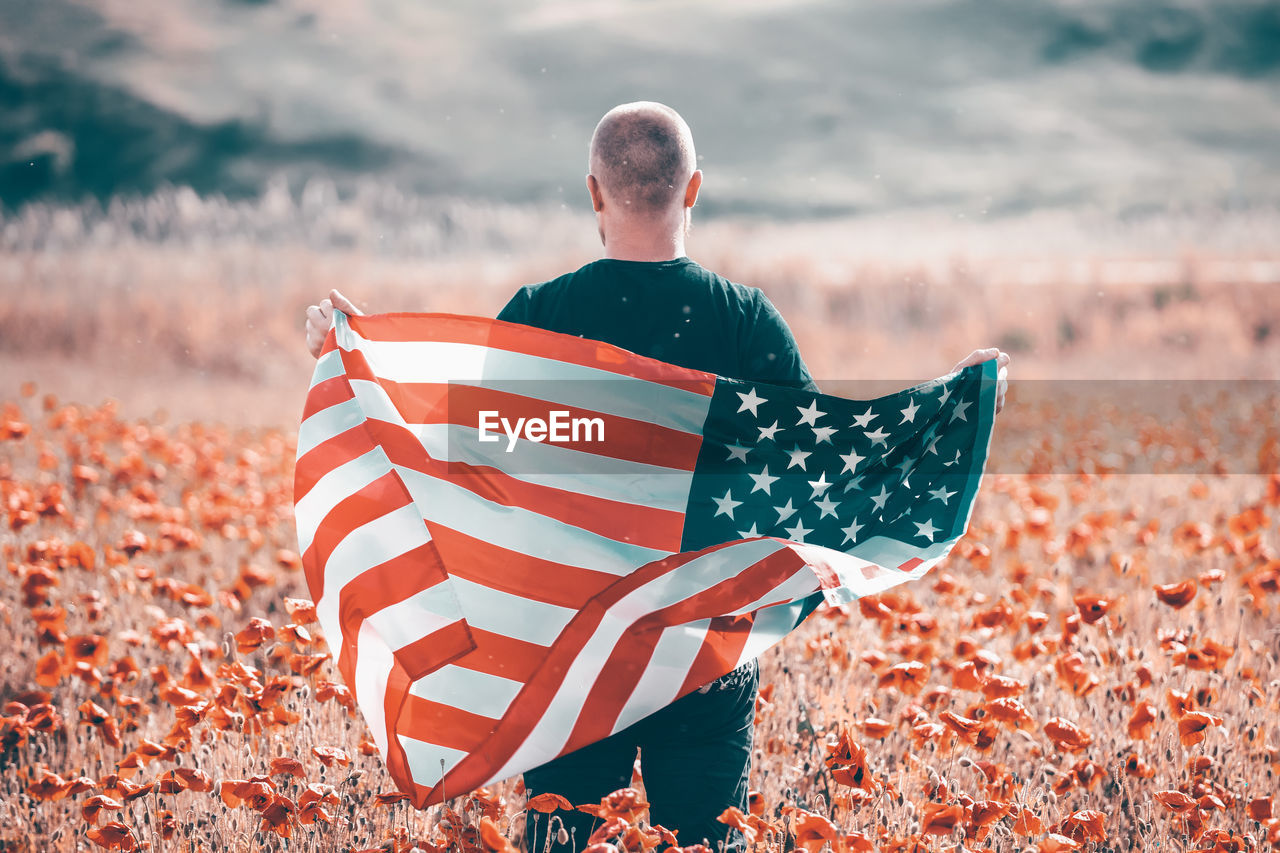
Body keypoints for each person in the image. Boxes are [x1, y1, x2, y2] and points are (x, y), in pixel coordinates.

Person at [305, 101, 1009, 851]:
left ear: (594, 192)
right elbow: (822, 479)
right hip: (706, 658)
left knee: (564, 844)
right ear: (694, 189)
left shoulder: (539, 320)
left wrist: (360, 364)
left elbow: (455, 462)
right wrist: (950, 406)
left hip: (568, 662)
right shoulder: (745, 322)